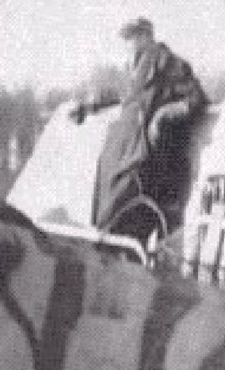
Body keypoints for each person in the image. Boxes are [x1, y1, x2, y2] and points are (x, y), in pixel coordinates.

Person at [75, 18, 207, 238]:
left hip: (146, 147)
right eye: (127, 38)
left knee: (125, 187)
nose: (128, 43)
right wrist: (90, 105)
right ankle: (107, 235)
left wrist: (166, 112)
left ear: (147, 36)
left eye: (133, 37)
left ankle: (116, 237)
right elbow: (122, 95)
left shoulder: (169, 63)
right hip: (125, 143)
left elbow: (196, 98)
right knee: (107, 174)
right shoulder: (135, 67)